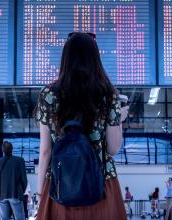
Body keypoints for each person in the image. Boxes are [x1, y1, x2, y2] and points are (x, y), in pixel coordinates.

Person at [34, 32, 129, 220]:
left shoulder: (48, 94)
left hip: (61, 184)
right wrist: (118, 120)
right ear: (95, 58)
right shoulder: (107, 93)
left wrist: (40, 194)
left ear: (65, 58)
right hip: (101, 184)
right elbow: (112, 148)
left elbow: (45, 151)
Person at [0, 141, 27, 220]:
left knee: (4, 218)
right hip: (16, 193)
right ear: (12, 149)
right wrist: (21, 191)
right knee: (20, 218)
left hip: (2, 195)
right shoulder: (20, 160)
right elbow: (24, 180)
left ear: (2, 150)